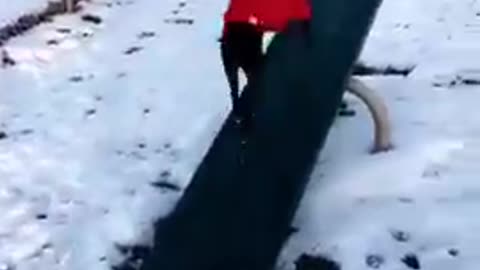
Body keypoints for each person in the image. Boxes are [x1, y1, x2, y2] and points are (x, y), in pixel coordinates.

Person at [219, 0, 312, 126]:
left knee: (236, 82)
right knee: (257, 79)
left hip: (229, 38)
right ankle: (248, 114)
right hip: (247, 38)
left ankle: (239, 111)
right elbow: (282, 15)